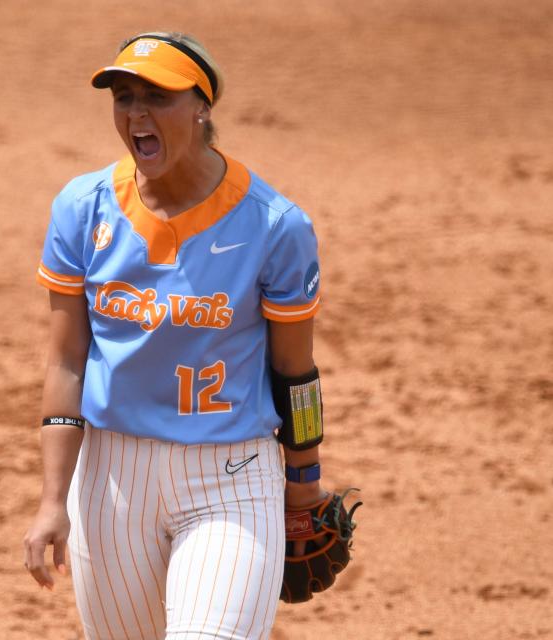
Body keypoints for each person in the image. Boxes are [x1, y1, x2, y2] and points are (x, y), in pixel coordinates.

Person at [24, 31, 329, 639]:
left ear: (201, 107)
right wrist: (53, 499)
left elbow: (296, 375)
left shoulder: (275, 226)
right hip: (111, 482)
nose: (137, 113)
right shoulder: (82, 209)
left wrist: (304, 487)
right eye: (124, 96)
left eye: (157, 97)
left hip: (231, 477)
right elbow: (66, 363)